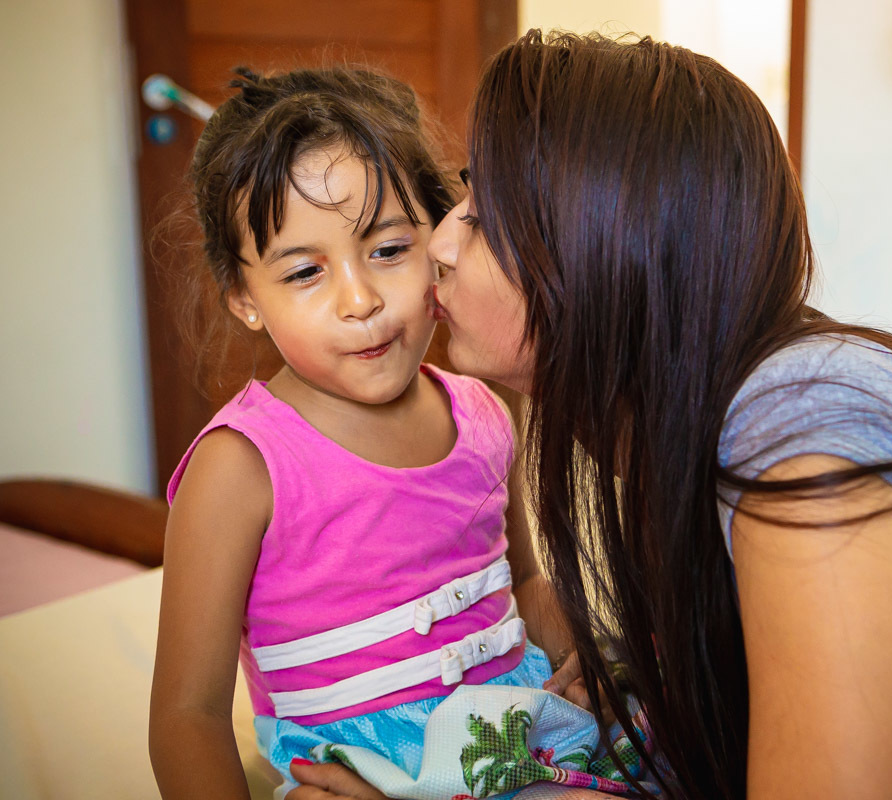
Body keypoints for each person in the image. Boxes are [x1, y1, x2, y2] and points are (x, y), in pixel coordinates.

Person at [291, 30, 892, 800]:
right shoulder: (665, 423)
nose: (438, 243)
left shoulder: (797, 442)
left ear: (609, 257)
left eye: (487, 217)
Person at [148, 66, 653, 800]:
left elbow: (522, 580)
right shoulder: (240, 466)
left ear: (441, 237)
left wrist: (579, 645)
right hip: (368, 776)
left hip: (517, 734)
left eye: (387, 250)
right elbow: (186, 715)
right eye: (303, 273)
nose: (361, 301)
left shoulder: (483, 412)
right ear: (244, 298)